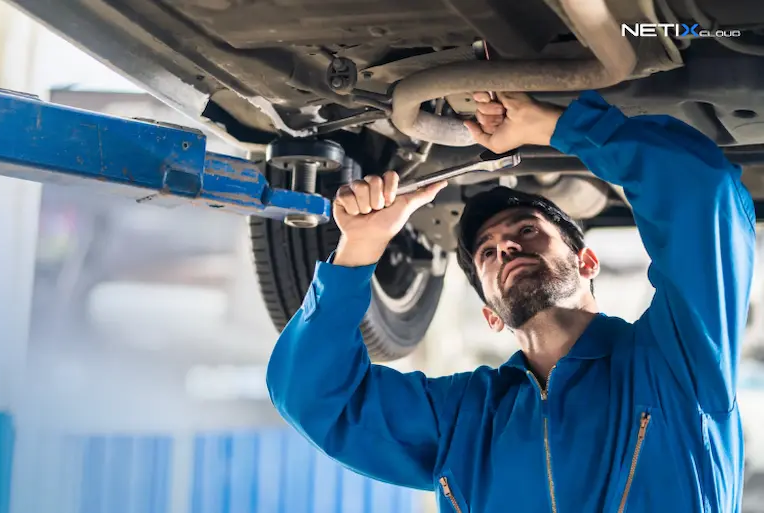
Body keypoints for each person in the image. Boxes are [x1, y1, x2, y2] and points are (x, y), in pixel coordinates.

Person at [266, 90, 758, 512]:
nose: (505, 246)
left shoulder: (676, 362)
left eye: (527, 230)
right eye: (486, 252)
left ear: (587, 262)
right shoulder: (468, 419)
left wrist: (557, 125)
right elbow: (315, 400)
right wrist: (360, 249)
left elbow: (702, 195)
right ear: (490, 313)